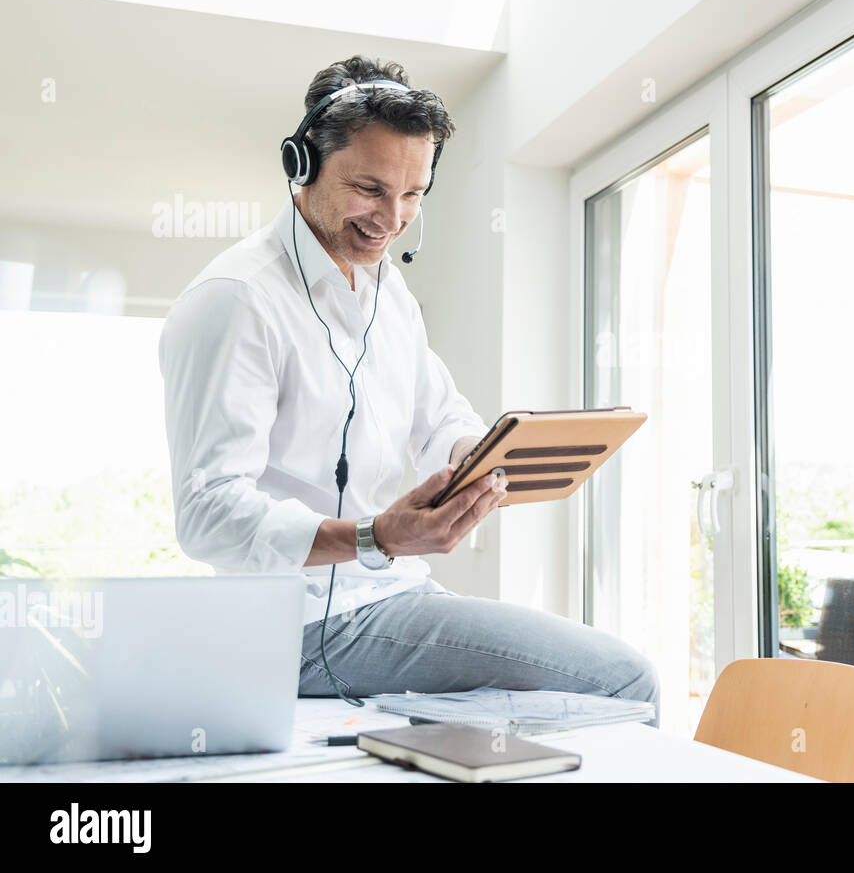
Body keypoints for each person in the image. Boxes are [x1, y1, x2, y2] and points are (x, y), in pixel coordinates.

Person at [158, 55, 659, 725]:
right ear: (301, 163)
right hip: (302, 623)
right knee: (627, 679)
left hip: (391, 594)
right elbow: (207, 516)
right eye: (370, 188)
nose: (392, 219)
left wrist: (483, 456)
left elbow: (439, 413)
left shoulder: (387, 291)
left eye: (414, 193)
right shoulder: (237, 300)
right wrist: (373, 536)